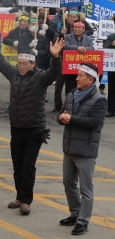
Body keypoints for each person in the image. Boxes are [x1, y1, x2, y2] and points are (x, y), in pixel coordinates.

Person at [0, 24, 65, 215]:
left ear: (33, 64)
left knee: (28, 166)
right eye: (19, 63)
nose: (20, 66)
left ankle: (26, 200)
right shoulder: (14, 75)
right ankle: (19, 196)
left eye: (24, 64)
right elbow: (1, 62)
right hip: (17, 127)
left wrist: (55, 57)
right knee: (17, 165)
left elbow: (55, 73)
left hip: (34, 129)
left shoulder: (40, 78)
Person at [57, 62, 106, 236]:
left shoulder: (99, 100)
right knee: (68, 183)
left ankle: (83, 222)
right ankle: (75, 213)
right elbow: (62, 113)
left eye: (80, 75)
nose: (76, 78)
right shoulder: (72, 94)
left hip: (85, 150)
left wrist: (71, 119)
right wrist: (61, 118)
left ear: (90, 79)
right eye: (77, 75)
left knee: (86, 189)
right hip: (69, 147)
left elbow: (94, 123)